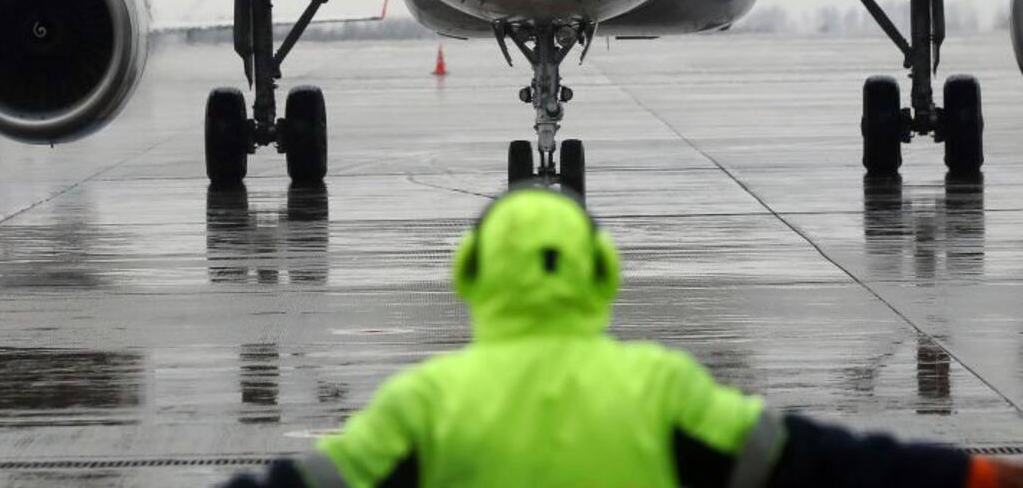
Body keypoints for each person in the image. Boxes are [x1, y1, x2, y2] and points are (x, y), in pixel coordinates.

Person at [218, 188, 1022, 488]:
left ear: (470, 272)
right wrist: (978, 473)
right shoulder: (660, 387)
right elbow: (825, 464)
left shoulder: (423, 404)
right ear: (601, 270)